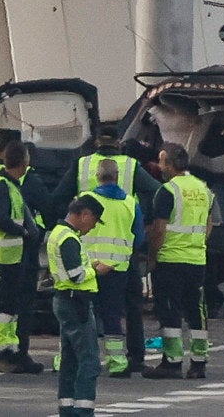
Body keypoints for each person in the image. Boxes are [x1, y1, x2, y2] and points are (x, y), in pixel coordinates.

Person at [142, 142, 218, 379]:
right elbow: (208, 225)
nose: (159, 166)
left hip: (170, 259)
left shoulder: (167, 191)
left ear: (170, 165)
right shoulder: (203, 189)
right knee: (197, 310)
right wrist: (197, 245)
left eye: (161, 161)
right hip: (196, 260)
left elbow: (159, 229)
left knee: (170, 310)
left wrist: (152, 257)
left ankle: (172, 362)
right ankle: (199, 362)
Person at [49, 194, 113, 417]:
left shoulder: (59, 233)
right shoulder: (69, 238)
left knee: (69, 360)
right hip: (76, 302)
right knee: (89, 360)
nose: (93, 226)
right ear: (85, 214)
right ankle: (84, 411)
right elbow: (76, 275)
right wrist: (95, 270)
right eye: (94, 220)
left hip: (65, 299)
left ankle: (67, 409)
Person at [80, 159, 145, 377]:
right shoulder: (130, 203)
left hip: (88, 268)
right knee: (113, 316)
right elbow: (138, 238)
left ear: (97, 177)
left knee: (82, 314)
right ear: (117, 177)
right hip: (118, 269)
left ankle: (79, 359)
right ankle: (117, 362)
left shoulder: (85, 200)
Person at [0, 140, 42, 372]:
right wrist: (24, 232)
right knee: (4, 308)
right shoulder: (2, 186)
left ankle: (12, 351)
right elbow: (1, 219)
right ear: (24, 162)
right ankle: (3, 353)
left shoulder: (8, 184)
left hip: (12, 255)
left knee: (11, 307)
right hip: (6, 255)